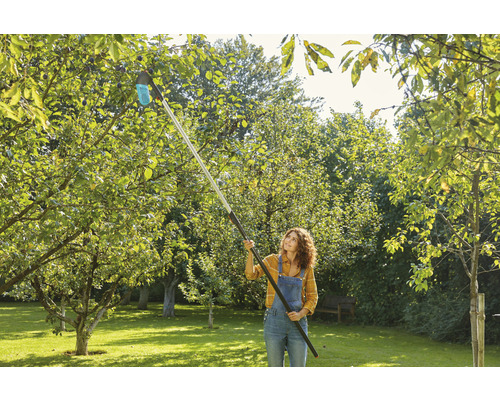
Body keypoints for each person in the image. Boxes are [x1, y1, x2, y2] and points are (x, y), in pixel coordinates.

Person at [243, 228, 318, 367]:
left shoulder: (306, 268)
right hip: (274, 322)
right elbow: (251, 274)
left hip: (297, 324)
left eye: (294, 239)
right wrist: (250, 253)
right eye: (288, 237)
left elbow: (312, 296)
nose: (288, 240)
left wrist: (301, 314)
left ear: (301, 245)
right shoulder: (272, 261)